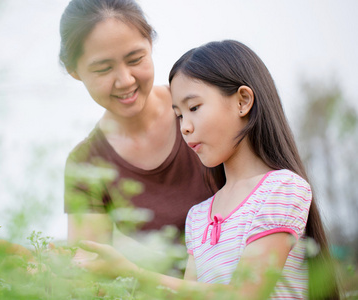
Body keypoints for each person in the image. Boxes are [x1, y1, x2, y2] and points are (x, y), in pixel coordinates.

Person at [77, 40, 340, 299]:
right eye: (179, 115)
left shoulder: (282, 189)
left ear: (243, 101)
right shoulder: (198, 216)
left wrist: (135, 274)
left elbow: (244, 295)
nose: (184, 127)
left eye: (194, 108)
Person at [60, 0, 217, 266]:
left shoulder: (204, 108)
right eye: (103, 69)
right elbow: (90, 268)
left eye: (135, 59)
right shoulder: (87, 163)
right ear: (74, 72)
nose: (126, 80)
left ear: (151, 45)